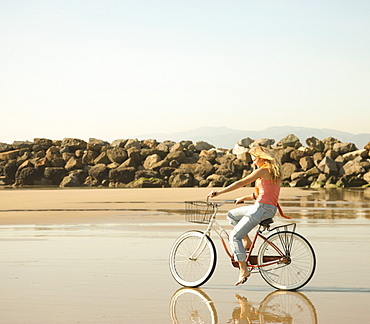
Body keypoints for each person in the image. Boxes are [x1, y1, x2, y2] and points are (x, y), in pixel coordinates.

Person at [208, 146, 282, 286]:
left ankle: (243, 269)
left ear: (261, 157)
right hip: (266, 207)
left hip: (261, 208)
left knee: (235, 236)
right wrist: (244, 197)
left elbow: (241, 182)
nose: (253, 162)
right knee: (231, 215)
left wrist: (220, 192)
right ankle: (247, 242)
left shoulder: (263, 170)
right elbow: (264, 193)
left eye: (254, 159)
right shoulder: (273, 171)